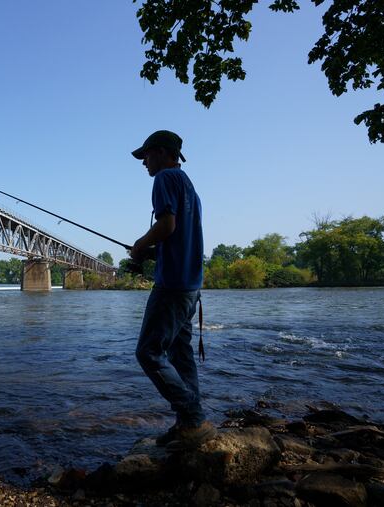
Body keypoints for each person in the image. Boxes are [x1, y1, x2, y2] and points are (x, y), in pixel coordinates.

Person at [129, 130, 215, 450]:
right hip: (191, 286)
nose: (144, 163)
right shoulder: (189, 186)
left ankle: (193, 418)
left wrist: (139, 244)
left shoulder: (164, 178)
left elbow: (167, 227)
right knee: (180, 354)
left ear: (164, 153)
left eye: (147, 155)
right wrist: (148, 252)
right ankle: (188, 425)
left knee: (148, 352)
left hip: (172, 286)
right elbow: (176, 239)